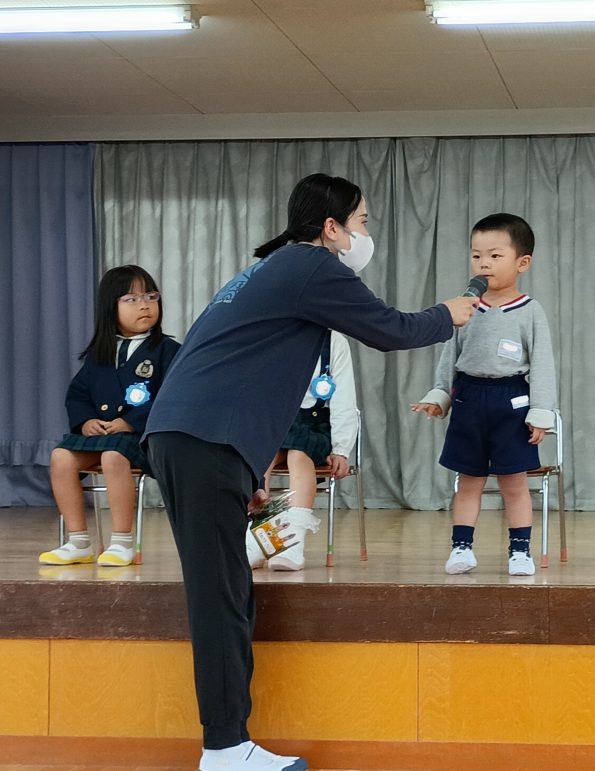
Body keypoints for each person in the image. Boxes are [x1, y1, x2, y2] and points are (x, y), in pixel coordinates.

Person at [143, 173, 478, 771]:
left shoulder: (274, 268)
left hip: (198, 437)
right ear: (331, 227)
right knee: (219, 597)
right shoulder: (311, 265)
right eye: (362, 221)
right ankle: (223, 749)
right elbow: (390, 329)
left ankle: (230, 743)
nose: (365, 233)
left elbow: (229, 361)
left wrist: (245, 465)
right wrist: (448, 315)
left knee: (228, 590)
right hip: (202, 439)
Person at [412, 213, 556, 577]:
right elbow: (451, 356)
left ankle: (520, 551)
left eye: (494, 255)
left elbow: (543, 364)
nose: (483, 264)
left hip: (512, 401)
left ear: (522, 262)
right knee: (468, 481)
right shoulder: (466, 306)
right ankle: (461, 547)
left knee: (514, 483)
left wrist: (541, 412)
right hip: (469, 398)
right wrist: (440, 395)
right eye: (477, 256)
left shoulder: (530, 311)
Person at [40, 265, 179, 567]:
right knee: (61, 457)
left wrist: (131, 421)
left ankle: (122, 542)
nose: (144, 305)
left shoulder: (168, 351)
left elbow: (173, 397)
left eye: (150, 296)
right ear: (110, 308)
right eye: (131, 299)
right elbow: (77, 394)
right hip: (104, 436)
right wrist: (86, 421)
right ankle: (78, 542)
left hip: (141, 438)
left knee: (113, 457)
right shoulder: (99, 354)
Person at [248, 330, 358, 571]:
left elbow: (345, 399)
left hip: (315, 425)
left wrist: (341, 448)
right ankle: (259, 538)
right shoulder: (273, 336)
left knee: (298, 454)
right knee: (261, 458)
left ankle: (292, 540)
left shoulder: (334, 342)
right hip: (276, 422)